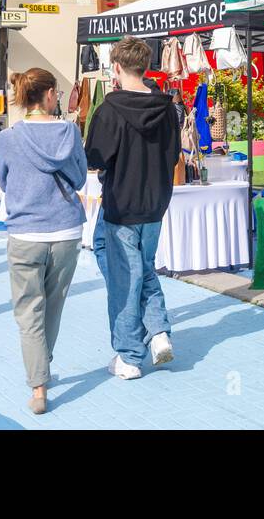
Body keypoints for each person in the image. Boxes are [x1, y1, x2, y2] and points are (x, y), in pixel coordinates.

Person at [84, 37, 180, 380]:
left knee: (127, 277)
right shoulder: (166, 108)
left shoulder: (109, 110)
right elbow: (173, 156)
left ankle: (129, 354)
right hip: (155, 203)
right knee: (143, 268)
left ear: (117, 67)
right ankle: (158, 330)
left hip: (122, 203)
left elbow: (94, 158)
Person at [0, 68, 86, 414]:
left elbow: (4, 182)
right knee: (54, 304)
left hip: (25, 232)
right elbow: (79, 178)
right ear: (49, 95)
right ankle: (42, 364)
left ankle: (38, 385)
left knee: (28, 310)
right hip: (65, 229)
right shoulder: (70, 133)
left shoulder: (9, 137)